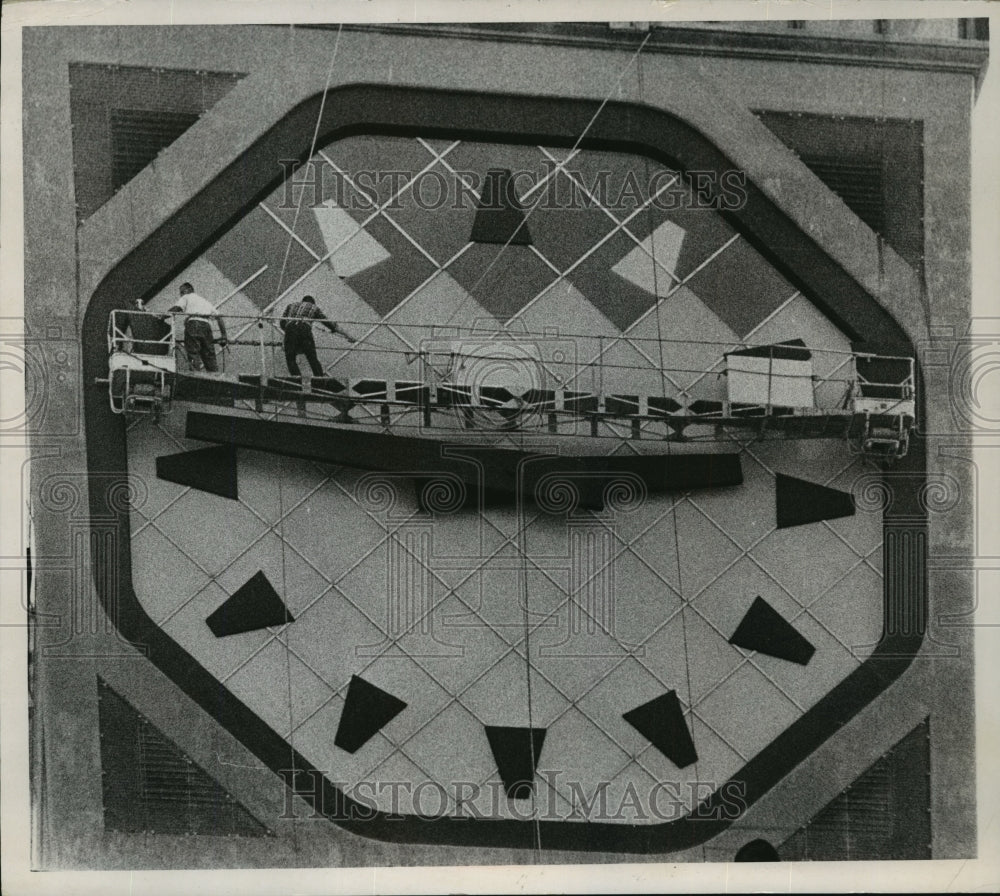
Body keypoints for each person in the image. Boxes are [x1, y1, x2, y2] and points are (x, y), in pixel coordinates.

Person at [279, 295, 356, 377]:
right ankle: (319, 378)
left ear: (302, 301)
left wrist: (289, 337)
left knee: (290, 358)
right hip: (304, 328)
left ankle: (297, 378)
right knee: (312, 357)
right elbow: (330, 324)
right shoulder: (314, 308)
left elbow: (282, 322)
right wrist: (348, 336)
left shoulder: (291, 305)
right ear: (313, 302)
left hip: (290, 328)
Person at [168, 283, 227, 372]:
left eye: (182, 292)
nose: (181, 295)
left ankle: (195, 376)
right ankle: (215, 378)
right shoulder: (205, 301)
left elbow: (177, 308)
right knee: (209, 355)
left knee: (193, 352)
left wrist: (162, 316)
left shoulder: (187, 297)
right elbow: (219, 318)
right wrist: (224, 336)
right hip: (206, 326)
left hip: (193, 325)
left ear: (188, 290)